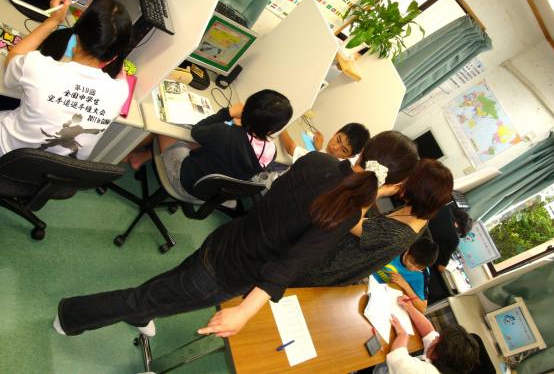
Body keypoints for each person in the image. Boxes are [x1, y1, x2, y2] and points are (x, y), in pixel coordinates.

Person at [53, 131, 419, 338]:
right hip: (230, 273)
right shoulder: (347, 211)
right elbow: (292, 263)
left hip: (228, 239)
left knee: (170, 285)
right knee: (146, 296)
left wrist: (367, 195)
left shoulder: (318, 161)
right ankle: (71, 315)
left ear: (364, 151)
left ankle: (140, 314)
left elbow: (295, 199)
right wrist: (243, 312)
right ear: (395, 183)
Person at [0, 0, 132, 162]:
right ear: (113, 58)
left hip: (2, 153)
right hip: (48, 173)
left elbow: (14, 56)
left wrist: (53, 20)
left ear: (75, 38)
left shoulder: (39, 67)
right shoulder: (121, 91)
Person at [294, 159, 453, 288]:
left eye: (410, 178)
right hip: (331, 259)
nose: (405, 179)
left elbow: (351, 222)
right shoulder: (418, 215)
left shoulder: (398, 232)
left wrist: (378, 192)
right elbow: (372, 223)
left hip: (324, 268)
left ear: (419, 190)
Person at [127, 89, 293, 202]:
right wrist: (241, 126)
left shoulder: (225, 133)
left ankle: (129, 154)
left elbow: (197, 131)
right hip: (210, 194)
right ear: (272, 130)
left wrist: (228, 112)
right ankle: (139, 159)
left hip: (185, 181)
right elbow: (241, 148)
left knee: (167, 126)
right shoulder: (271, 152)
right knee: (200, 144)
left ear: (246, 109)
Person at [379, 296, 480, 374]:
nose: (435, 337)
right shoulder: (443, 361)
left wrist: (403, 335)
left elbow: (397, 356)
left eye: (438, 339)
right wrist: (409, 307)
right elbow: (429, 331)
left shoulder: (416, 371)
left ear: (436, 355)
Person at [373, 237, 439, 312]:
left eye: (419, 267)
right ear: (408, 250)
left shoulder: (422, 274)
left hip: (381, 294)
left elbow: (422, 308)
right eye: (411, 262)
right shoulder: (397, 245)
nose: (412, 268)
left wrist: (405, 285)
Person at [279, 122, 370, 163]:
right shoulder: (337, 163)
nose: (335, 147)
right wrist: (319, 149)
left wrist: (281, 124)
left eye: (343, 150)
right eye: (338, 140)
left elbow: (290, 148)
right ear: (336, 132)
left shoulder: (324, 162)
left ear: (349, 156)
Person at [429, 207, 473, 272]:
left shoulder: (446, 210)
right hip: (422, 254)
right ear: (463, 232)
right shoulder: (455, 239)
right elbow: (440, 267)